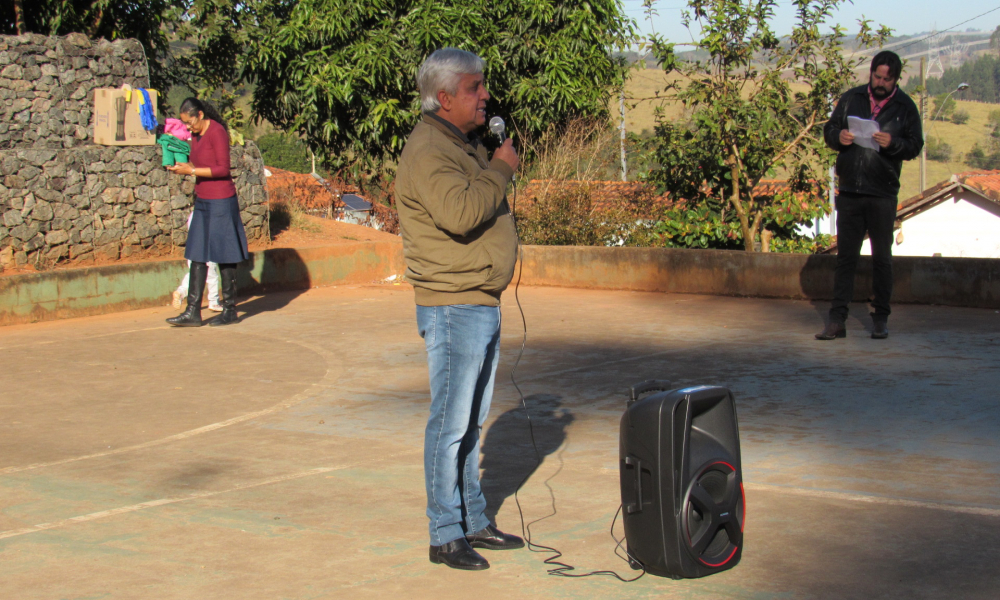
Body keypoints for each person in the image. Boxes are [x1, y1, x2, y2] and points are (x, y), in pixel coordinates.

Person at [395, 48, 523, 571]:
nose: (485, 95)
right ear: (444, 97)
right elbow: (461, 212)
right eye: (475, 88)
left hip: (478, 301)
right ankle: (444, 534)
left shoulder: (458, 143)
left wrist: (493, 162)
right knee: (449, 425)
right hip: (453, 305)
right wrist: (500, 170)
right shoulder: (429, 149)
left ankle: (472, 518)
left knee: (470, 423)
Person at [816, 50, 923, 341]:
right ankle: (837, 321)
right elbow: (829, 130)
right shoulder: (852, 99)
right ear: (871, 73)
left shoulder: (905, 107)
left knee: (882, 259)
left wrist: (893, 143)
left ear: (896, 80)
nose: (880, 83)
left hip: (882, 193)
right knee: (846, 259)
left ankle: (880, 319)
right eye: (877, 76)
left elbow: (915, 145)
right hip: (850, 190)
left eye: (887, 79)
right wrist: (839, 137)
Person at [165, 98, 249, 327]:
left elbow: (222, 168)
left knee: (225, 253)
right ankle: (192, 311)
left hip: (221, 199)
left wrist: (192, 170)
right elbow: (195, 161)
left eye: (190, 122)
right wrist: (179, 166)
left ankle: (230, 310)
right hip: (202, 199)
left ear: (200, 115)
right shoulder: (195, 135)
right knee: (197, 253)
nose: (188, 127)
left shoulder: (217, 132)